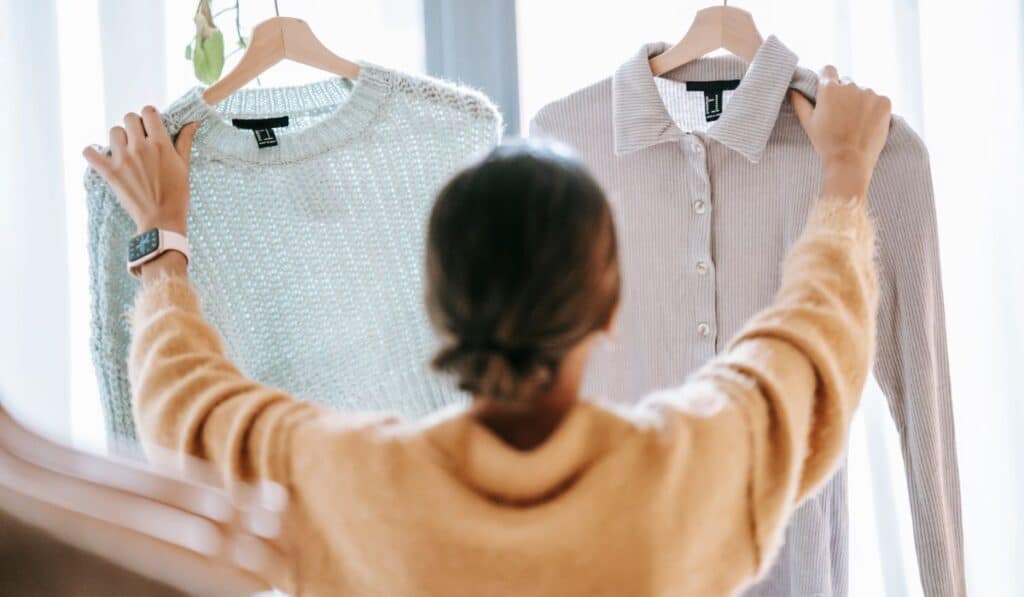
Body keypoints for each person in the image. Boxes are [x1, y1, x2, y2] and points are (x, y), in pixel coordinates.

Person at [83, 65, 890, 596]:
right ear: (610, 307)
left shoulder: (354, 484)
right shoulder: (681, 475)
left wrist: (162, 239)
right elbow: (806, 351)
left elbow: (189, 409)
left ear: (436, 306)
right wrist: (846, 175)